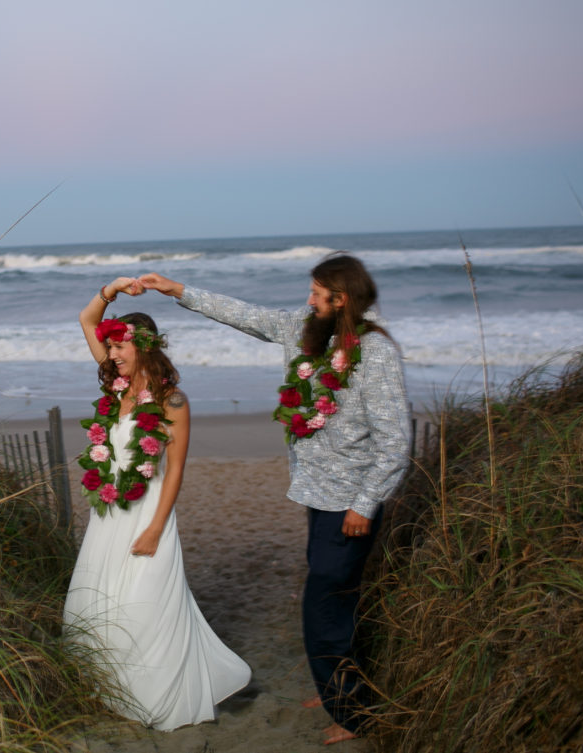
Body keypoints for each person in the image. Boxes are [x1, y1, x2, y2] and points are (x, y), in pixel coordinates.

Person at [140, 254, 411, 746]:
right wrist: (175, 290)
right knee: (335, 598)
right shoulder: (303, 333)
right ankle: (332, 687)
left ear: (340, 298)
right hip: (316, 492)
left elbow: (395, 440)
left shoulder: (374, 354)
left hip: (350, 501)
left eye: (316, 293)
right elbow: (243, 313)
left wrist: (364, 504)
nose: (308, 300)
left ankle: (349, 714)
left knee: (323, 605)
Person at [62, 276, 251, 731]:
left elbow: (177, 470)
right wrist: (112, 289)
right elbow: (87, 319)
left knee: (144, 605)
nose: (112, 355)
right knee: (98, 599)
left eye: (120, 347)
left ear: (143, 347)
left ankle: (153, 692)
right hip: (109, 513)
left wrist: (155, 528)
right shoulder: (116, 390)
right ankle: (109, 686)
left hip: (148, 515)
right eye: (110, 348)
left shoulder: (172, 401)